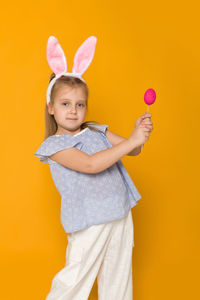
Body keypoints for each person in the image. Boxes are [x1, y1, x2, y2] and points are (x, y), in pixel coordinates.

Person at [34, 35, 153, 300]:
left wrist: (138, 133)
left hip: (119, 213)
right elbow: (90, 165)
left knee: (118, 278)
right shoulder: (55, 145)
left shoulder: (96, 130)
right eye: (65, 104)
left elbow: (133, 149)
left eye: (80, 104)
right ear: (51, 108)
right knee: (75, 279)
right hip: (89, 221)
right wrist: (132, 141)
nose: (74, 111)